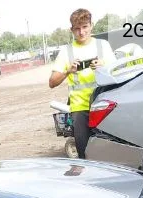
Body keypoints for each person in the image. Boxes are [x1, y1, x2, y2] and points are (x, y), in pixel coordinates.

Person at [49, 9, 116, 159]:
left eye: (85, 27)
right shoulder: (66, 52)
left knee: (111, 152)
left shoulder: (103, 45)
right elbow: (52, 82)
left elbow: (118, 72)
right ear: (71, 30)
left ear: (91, 25)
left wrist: (104, 65)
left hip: (105, 106)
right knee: (85, 154)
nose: (81, 32)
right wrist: (68, 71)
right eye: (77, 28)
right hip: (81, 109)